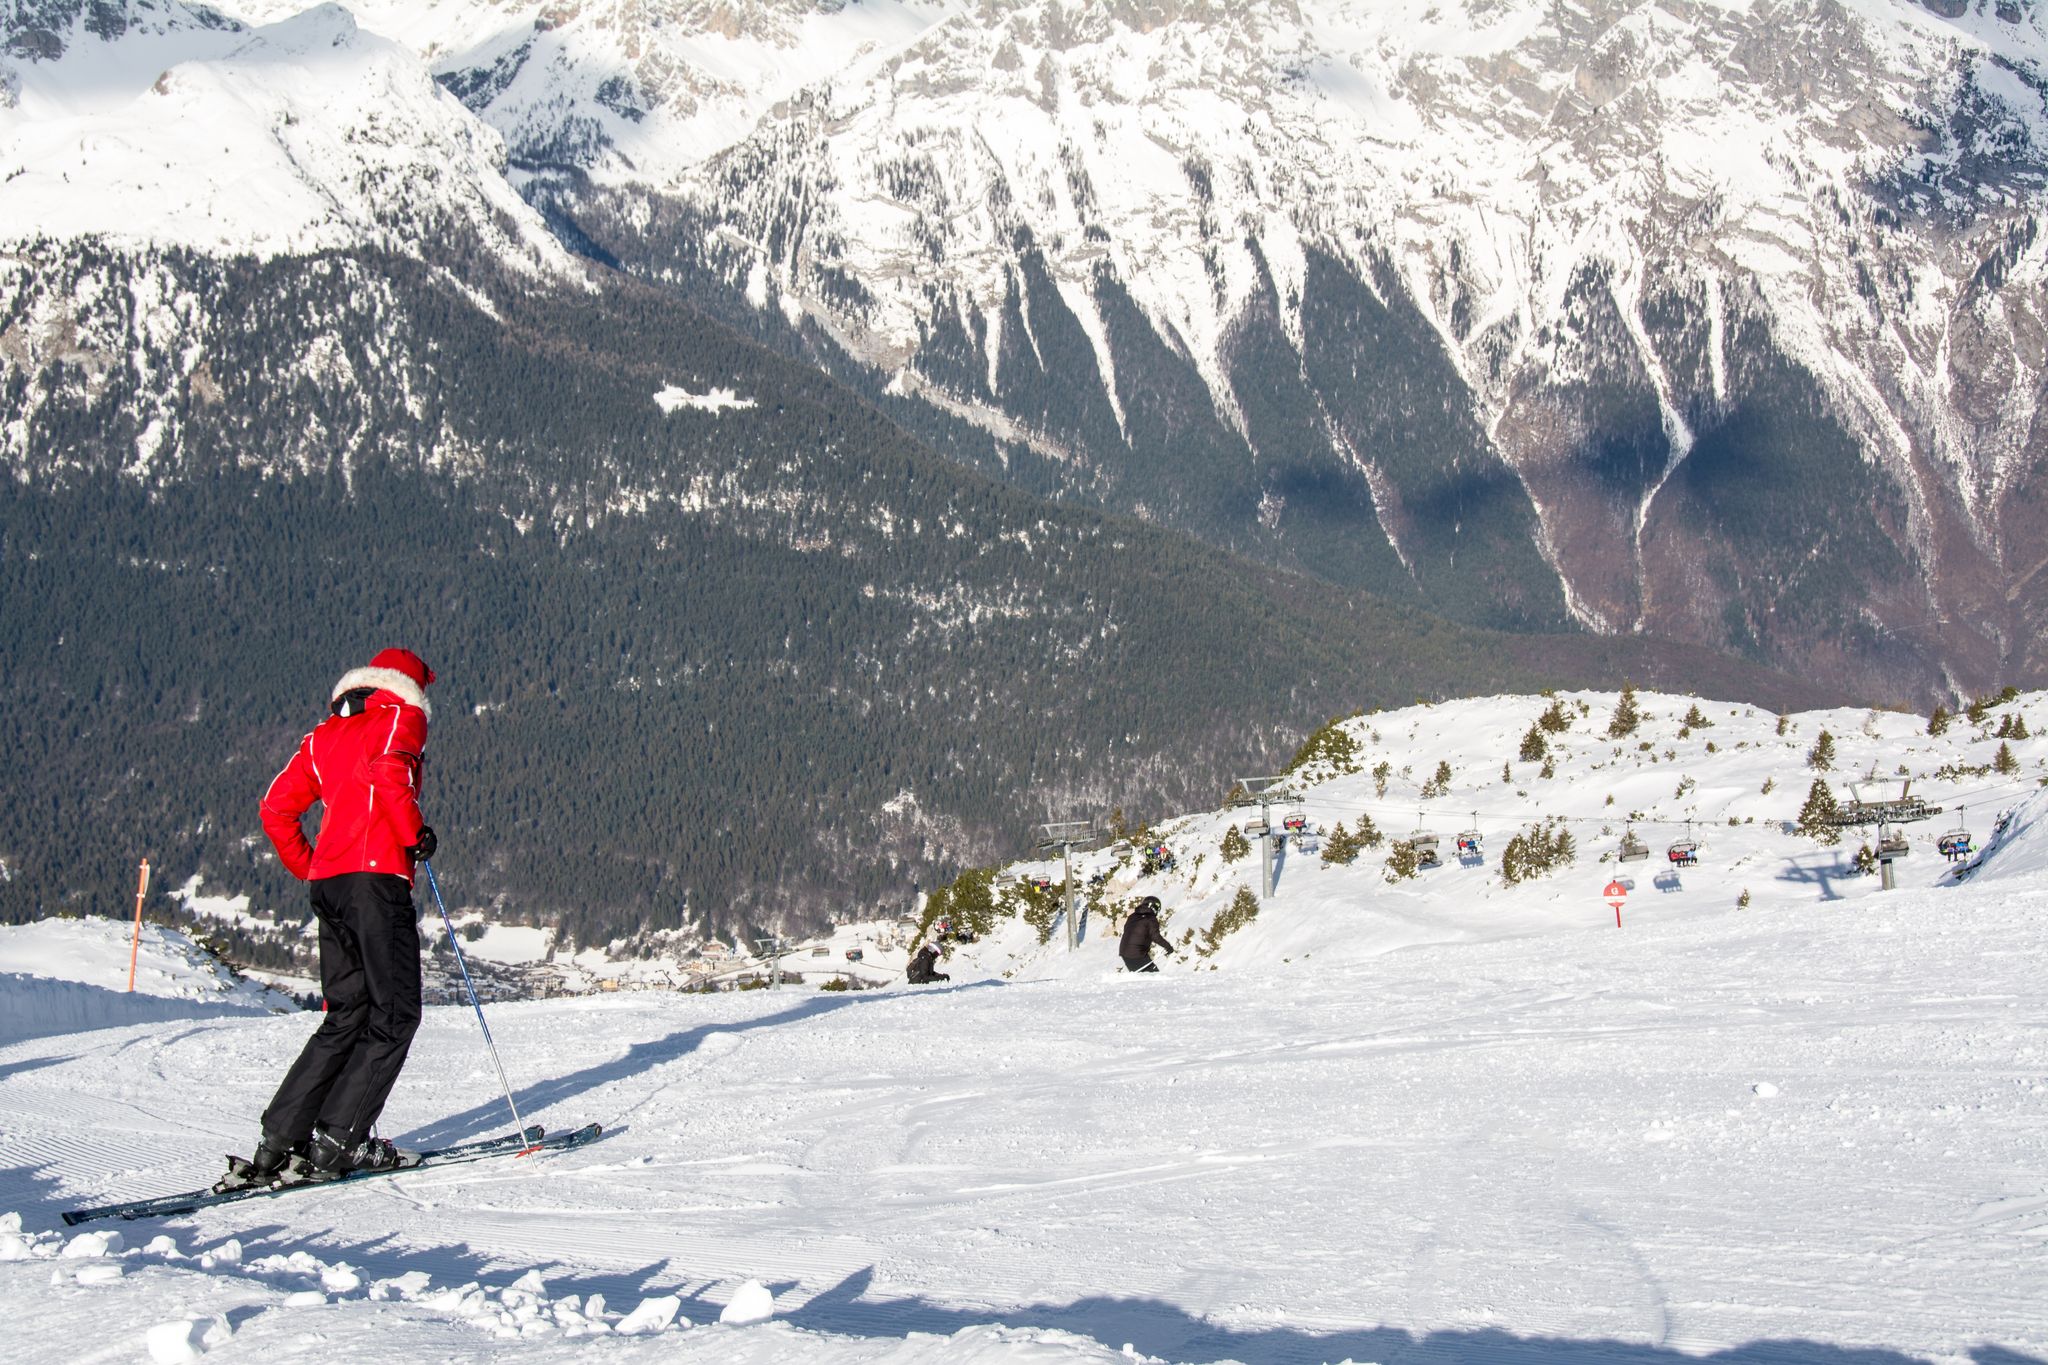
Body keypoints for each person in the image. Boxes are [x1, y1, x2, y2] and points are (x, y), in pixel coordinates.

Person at [248, 648, 438, 1181]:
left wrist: (311, 867)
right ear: (408, 685)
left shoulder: (321, 735)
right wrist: (413, 834)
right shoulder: (405, 716)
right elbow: (387, 773)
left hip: (329, 887)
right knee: (395, 1014)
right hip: (376, 882)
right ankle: (339, 1141)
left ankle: (279, 1140)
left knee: (345, 1014)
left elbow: (275, 809)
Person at [1119, 896, 1176, 972]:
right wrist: (1168, 947)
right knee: (1153, 977)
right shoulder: (1151, 919)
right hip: (1136, 954)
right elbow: (1156, 937)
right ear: (1154, 907)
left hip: (1124, 951)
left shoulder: (1132, 916)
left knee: (1143, 977)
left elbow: (1128, 930)